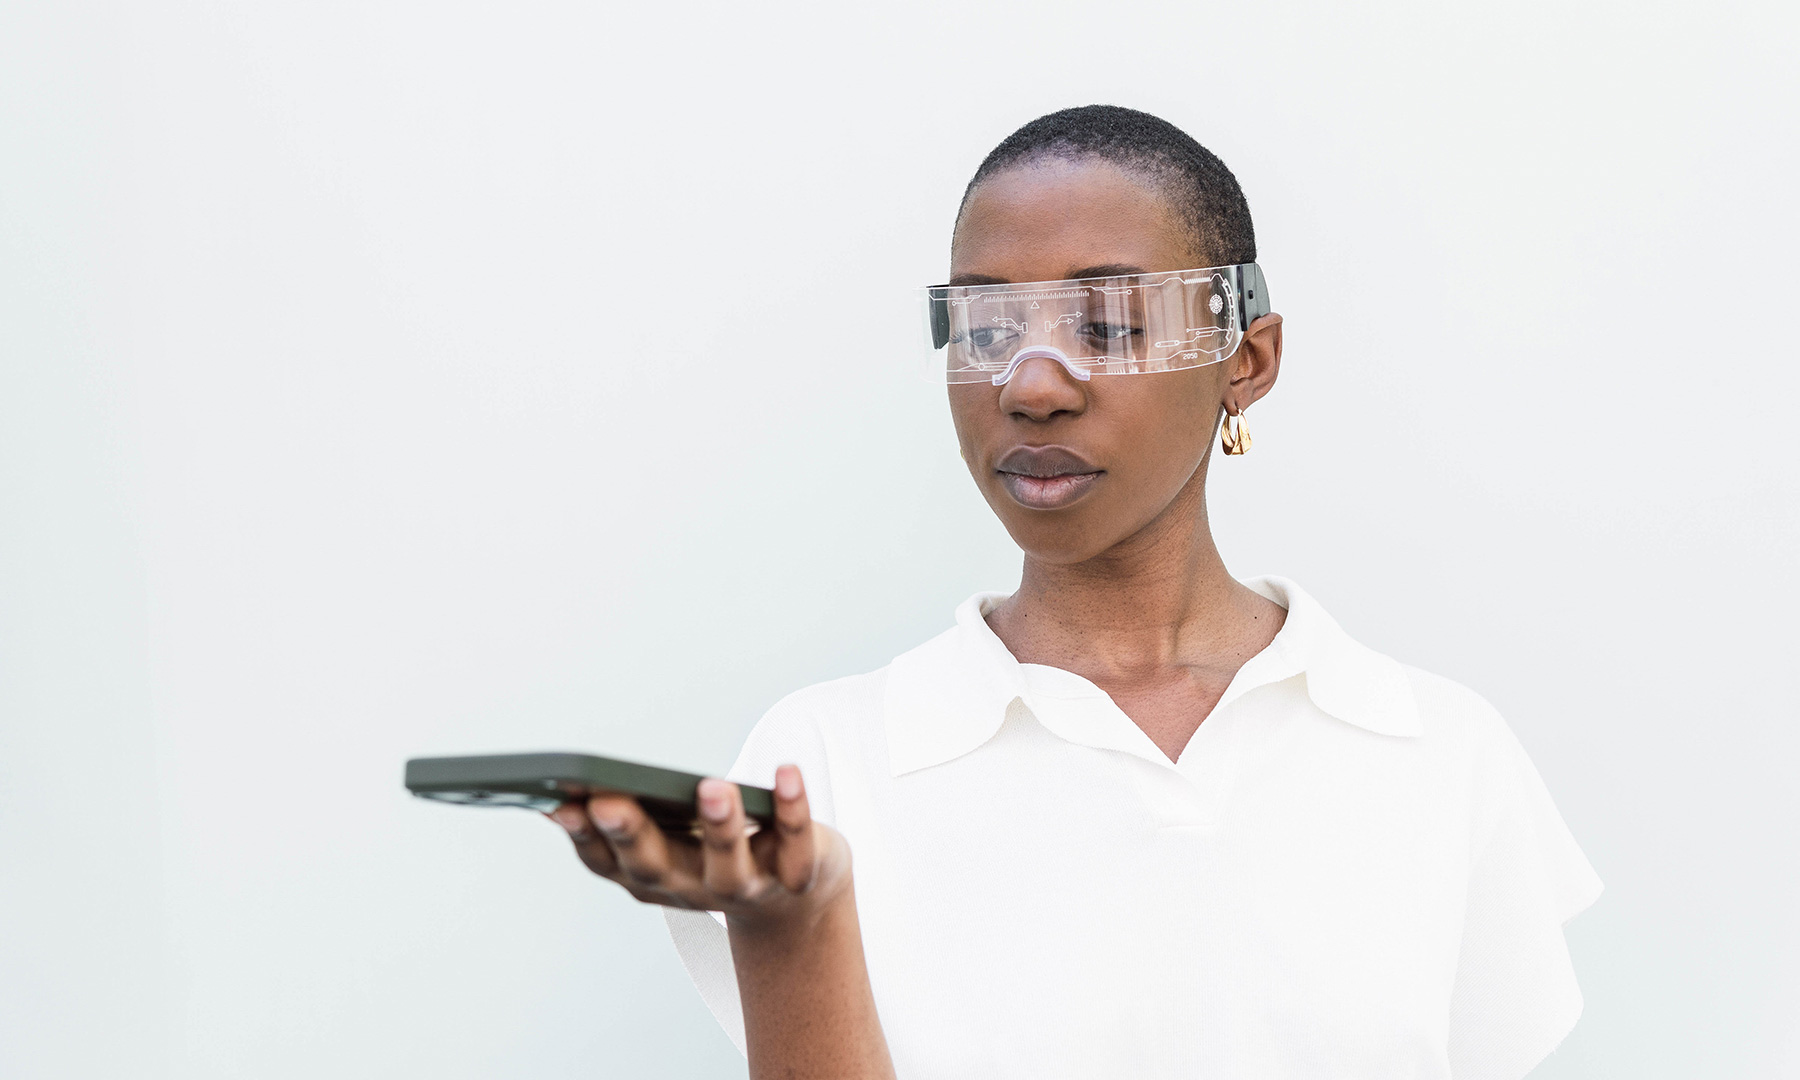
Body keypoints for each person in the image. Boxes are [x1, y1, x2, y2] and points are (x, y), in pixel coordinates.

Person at [547, 105, 1601, 1080]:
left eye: (1107, 325)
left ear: (1247, 360)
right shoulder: (824, 765)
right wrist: (797, 918)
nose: (1031, 385)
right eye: (990, 330)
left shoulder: (1437, 751)